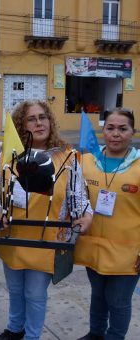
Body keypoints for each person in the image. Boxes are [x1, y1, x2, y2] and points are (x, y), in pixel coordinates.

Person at [0, 100, 92, 340]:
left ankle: (32, 336)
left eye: (42, 117)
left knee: (35, 294)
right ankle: (14, 329)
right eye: (31, 119)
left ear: (50, 121)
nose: (38, 123)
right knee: (15, 290)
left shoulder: (67, 158)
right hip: (12, 237)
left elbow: (79, 196)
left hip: (46, 240)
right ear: (21, 125)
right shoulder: (6, 156)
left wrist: (86, 216)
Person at [75, 108, 140, 340]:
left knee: (119, 301)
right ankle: (95, 333)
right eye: (110, 128)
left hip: (128, 252)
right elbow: (75, 199)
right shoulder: (87, 162)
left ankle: (114, 336)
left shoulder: (139, 166)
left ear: (132, 132)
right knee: (98, 295)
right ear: (103, 131)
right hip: (93, 247)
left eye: (123, 129)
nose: (115, 134)